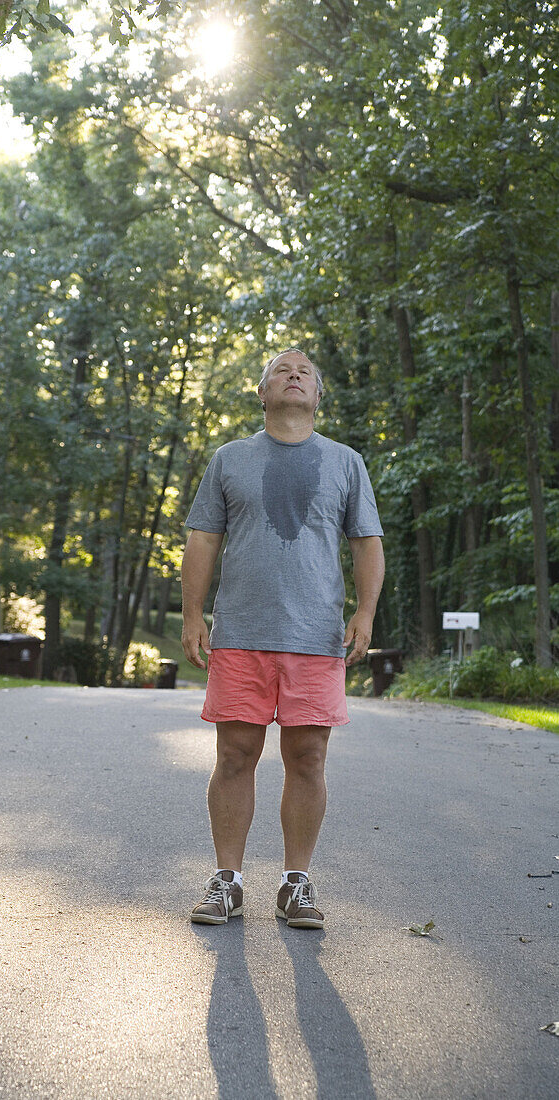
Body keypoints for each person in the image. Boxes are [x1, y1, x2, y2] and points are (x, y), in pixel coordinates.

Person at [181, 347, 385, 928]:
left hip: (316, 636)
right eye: (281, 370)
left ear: (318, 396)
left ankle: (297, 884)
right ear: (263, 392)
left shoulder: (345, 463)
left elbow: (367, 543)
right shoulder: (229, 459)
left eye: (304, 373)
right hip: (241, 633)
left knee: (309, 758)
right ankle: (227, 881)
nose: (293, 376)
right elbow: (202, 540)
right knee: (235, 755)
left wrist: (365, 613)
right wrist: (193, 615)